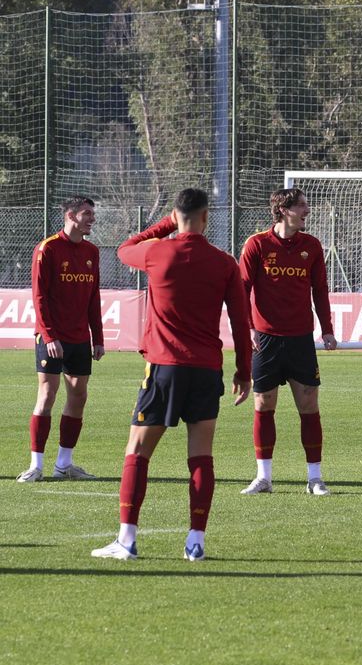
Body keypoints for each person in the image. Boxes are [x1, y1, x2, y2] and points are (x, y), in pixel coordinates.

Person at [91, 188, 252, 562]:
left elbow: (124, 247)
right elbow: (241, 323)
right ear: (207, 217)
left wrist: (166, 224)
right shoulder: (225, 263)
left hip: (164, 368)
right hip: (206, 369)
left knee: (137, 451)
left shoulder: (156, 251)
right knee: (201, 456)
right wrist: (244, 371)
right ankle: (196, 541)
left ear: (176, 216)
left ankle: (127, 540)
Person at [238, 187, 338, 496]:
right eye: (302, 206)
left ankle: (315, 478)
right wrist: (249, 328)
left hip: (300, 340)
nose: (307, 211)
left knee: (309, 406)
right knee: (263, 405)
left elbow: (320, 290)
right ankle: (263, 477)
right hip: (266, 340)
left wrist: (327, 328)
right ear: (284, 210)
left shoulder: (312, 246)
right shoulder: (256, 245)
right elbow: (241, 290)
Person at [18, 196, 105, 483]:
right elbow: (39, 297)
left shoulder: (92, 251)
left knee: (79, 395)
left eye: (92, 214)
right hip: (52, 337)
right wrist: (49, 335)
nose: (92, 218)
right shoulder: (48, 248)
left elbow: (94, 298)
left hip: (80, 337)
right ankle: (36, 465)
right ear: (70, 215)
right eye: (86, 214)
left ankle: (64, 464)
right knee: (47, 395)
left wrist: (97, 337)